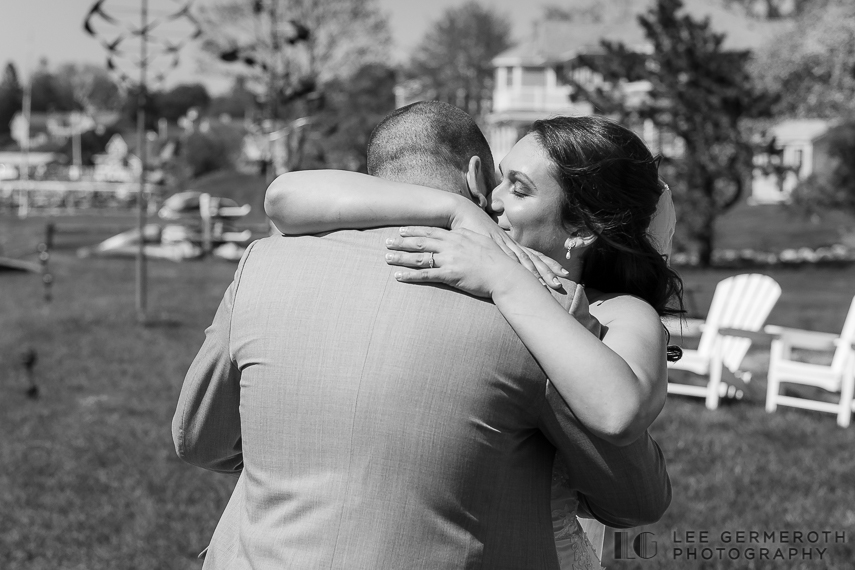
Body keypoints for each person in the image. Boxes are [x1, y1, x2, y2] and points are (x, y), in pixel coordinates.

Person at [174, 102, 671, 570]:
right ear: (477, 177)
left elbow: (200, 441)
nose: (493, 201)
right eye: (499, 182)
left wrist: (504, 276)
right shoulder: (522, 295)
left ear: (582, 226)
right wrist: (459, 214)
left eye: (517, 188)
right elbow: (634, 499)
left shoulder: (267, 261)